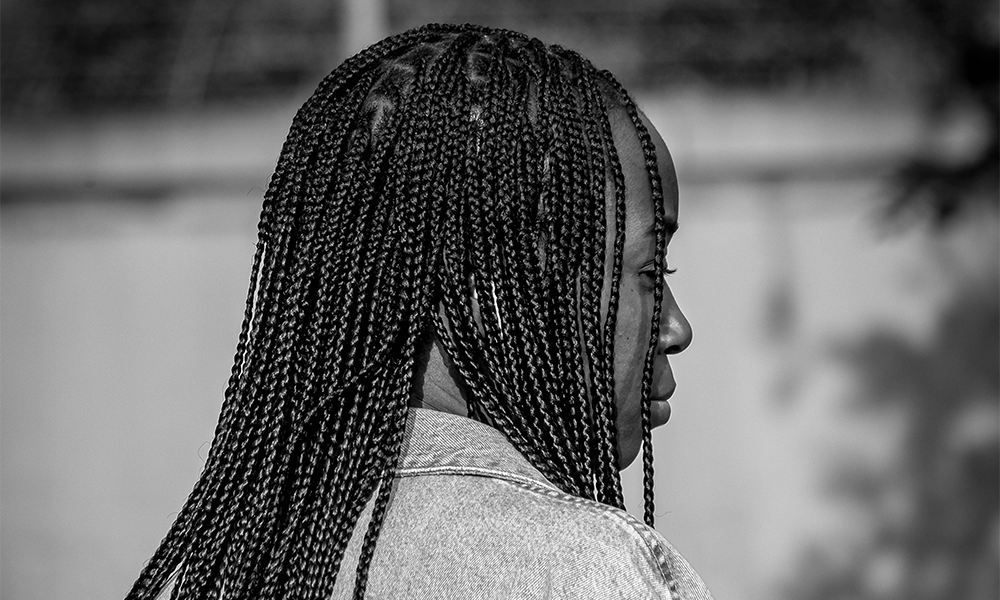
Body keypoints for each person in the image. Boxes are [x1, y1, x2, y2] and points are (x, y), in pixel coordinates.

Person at [129, 22, 709, 600]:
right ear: (490, 281)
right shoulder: (584, 571)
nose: (678, 328)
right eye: (651, 272)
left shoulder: (216, 567)